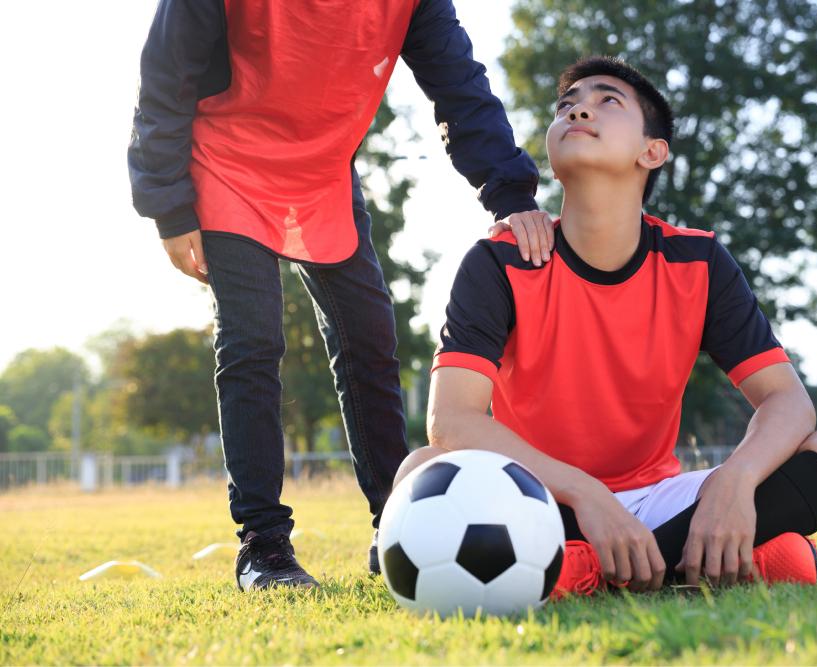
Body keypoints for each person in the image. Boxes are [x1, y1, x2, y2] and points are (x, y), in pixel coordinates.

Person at [394, 56, 817, 596]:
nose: (577, 107)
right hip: (540, 495)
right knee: (420, 470)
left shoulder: (697, 261)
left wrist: (737, 481)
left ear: (652, 151)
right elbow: (452, 421)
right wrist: (586, 493)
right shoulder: (501, 260)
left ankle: (585, 572)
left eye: (607, 100)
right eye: (567, 104)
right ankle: (730, 561)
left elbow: (788, 402)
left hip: (659, 498)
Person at [128, 0, 555, 591]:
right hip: (226, 157)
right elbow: (165, 74)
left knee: (370, 339)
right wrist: (168, 204)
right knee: (253, 338)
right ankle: (264, 545)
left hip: (323, 169)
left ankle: (397, 522)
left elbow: (458, 85)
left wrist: (509, 193)